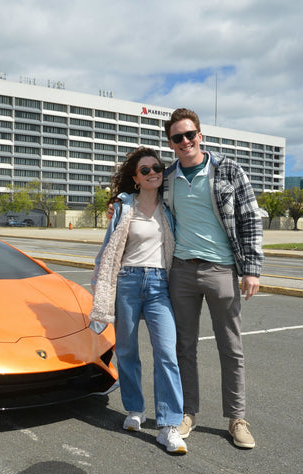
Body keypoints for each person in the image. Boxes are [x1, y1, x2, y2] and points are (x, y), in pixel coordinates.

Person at [163, 108, 263, 449]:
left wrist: (251, 269)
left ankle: (237, 419)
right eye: (177, 137)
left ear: (200, 135)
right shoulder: (168, 177)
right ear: (171, 143)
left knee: (231, 348)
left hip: (221, 270)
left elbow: (250, 218)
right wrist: (116, 203)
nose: (185, 141)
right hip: (181, 271)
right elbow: (141, 196)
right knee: (184, 347)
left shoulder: (227, 170)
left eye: (190, 134)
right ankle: (187, 413)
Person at [90, 146, 187, 454]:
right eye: (145, 170)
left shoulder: (170, 206)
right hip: (128, 281)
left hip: (159, 284)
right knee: (127, 350)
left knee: (167, 353)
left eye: (156, 168)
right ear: (135, 177)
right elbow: (109, 248)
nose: (152, 173)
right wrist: (100, 284)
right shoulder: (123, 206)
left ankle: (169, 425)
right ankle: (135, 410)